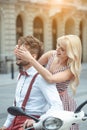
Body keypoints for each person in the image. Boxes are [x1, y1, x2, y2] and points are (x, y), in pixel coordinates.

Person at [15, 34, 82, 130]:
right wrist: (20, 54)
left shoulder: (70, 70)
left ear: (71, 53)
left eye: (62, 49)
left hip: (61, 102)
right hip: (46, 97)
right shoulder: (51, 54)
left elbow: (50, 78)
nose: (58, 49)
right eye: (58, 45)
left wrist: (30, 58)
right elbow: (32, 66)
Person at [0, 35, 63, 130]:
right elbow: (16, 104)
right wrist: (5, 125)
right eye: (18, 50)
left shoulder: (41, 77)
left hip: (30, 124)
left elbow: (57, 106)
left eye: (22, 52)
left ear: (33, 57)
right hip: (16, 122)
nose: (17, 54)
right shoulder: (21, 75)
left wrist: (38, 121)